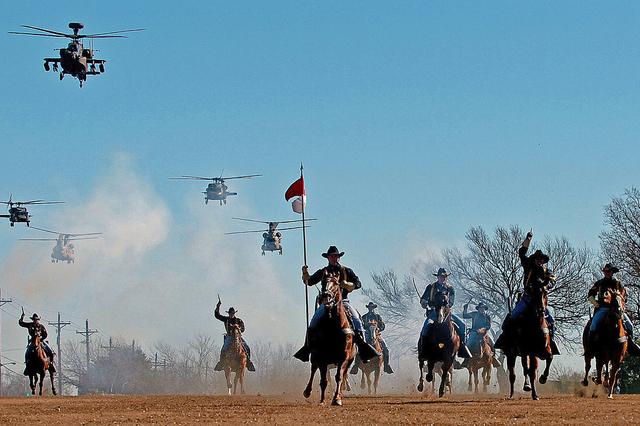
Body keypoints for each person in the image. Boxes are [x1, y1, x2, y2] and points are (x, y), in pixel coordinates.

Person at [294, 246, 379, 362]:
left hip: (343, 302)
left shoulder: (346, 271)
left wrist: (348, 284)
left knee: (357, 320)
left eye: (336, 256)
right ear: (328, 258)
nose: (334, 258)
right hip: (326, 303)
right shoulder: (323, 271)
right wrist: (305, 274)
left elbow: (358, 283)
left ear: (339, 257)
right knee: (313, 322)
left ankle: (363, 350)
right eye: (332, 256)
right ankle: (306, 349)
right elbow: (310, 282)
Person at [496, 231, 558, 353]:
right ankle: (505, 340)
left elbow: (553, 281)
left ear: (543, 261)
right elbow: (521, 253)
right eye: (537, 259)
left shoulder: (547, 271)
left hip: (541, 301)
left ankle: (551, 342)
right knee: (513, 315)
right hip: (527, 298)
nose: (539, 261)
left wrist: (546, 286)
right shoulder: (528, 266)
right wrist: (528, 239)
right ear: (534, 259)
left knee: (550, 319)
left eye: (541, 259)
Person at [588, 263, 640, 356]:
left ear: (612, 272)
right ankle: (590, 349)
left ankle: (630, 346)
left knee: (630, 326)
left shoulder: (618, 283)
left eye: (609, 271)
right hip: (602, 308)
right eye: (606, 271)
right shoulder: (599, 283)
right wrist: (595, 302)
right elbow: (591, 293)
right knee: (593, 325)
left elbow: (624, 295)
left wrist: (619, 298)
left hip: (617, 309)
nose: (607, 273)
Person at [419, 268, 472, 358]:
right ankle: (423, 349)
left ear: (446, 277)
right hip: (433, 313)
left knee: (463, 326)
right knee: (425, 327)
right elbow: (424, 299)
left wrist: (445, 306)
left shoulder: (450, 289)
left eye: (444, 276)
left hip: (447, 313)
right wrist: (424, 303)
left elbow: (451, 302)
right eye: (441, 276)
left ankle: (462, 348)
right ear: (438, 277)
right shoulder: (431, 287)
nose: (443, 278)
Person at [214, 301, 256, 371]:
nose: (231, 314)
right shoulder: (226, 319)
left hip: (238, 337)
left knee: (247, 347)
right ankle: (221, 363)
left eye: (232, 313)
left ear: (234, 313)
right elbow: (217, 315)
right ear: (228, 313)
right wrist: (218, 306)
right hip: (229, 337)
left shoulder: (238, 320)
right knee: (223, 349)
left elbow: (243, 329)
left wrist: (239, 328)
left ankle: (249, 363)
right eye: (230, 313)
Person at [459, 301, 500, 368]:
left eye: (483, 308)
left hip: (485, 333)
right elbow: (464, 316)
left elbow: (488, 326)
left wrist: (482, 330)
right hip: (474, 332)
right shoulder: (474, 314)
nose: (482, 309)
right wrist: (465, 309)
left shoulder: (487, 317)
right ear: (478, 309)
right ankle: (466, 360)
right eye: (480, 308)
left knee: (493, 344)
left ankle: (494, 358)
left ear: (484, 309)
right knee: (468, 344)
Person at [360, 302, 394, 374]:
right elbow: (361, 326)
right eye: (369, 307)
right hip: (367, 335)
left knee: (386, 349)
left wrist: (378, 328)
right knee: (358, 349)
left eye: (372, 307)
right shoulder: (364, 317)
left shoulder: (377, 317)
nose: (371, 308)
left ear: (374, 308)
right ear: (368, 308)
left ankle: (386, 365)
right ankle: (356, 365)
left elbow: (383, 326)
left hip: (377, 335)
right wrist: (367, 326)